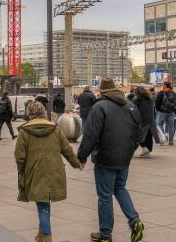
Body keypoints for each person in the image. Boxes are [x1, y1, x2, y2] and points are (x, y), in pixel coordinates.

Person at [77, 78, 145, 242]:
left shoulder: (100, 106)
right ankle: (135, 221)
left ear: (102, 92)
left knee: (105, 195)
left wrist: (82, 155)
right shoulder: (130, 105)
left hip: (105, 157)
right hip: (124, 157)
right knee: (120, 188)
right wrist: (130, 149)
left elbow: (91, 134)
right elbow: (139, 132)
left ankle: (106, 235)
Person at [15, 101, 82, 242]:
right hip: (55, 170)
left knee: (42, 204)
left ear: (29, 114)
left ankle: (47, 237)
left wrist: (22, 172)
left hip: (35, 172)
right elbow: (67, 149)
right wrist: (76, 164)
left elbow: (19, 156)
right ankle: (41, 235)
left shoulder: (24, 132)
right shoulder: (55, 129)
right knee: (44, 202)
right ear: (43, 113)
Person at [132, 86, 154, 158]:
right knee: (148, 136)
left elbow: (133, 109)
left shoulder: (137, 100)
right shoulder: (149, 98)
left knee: (139, 136)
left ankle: (144, 148)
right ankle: (148, 152)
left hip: (141, 120)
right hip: (150, 120)